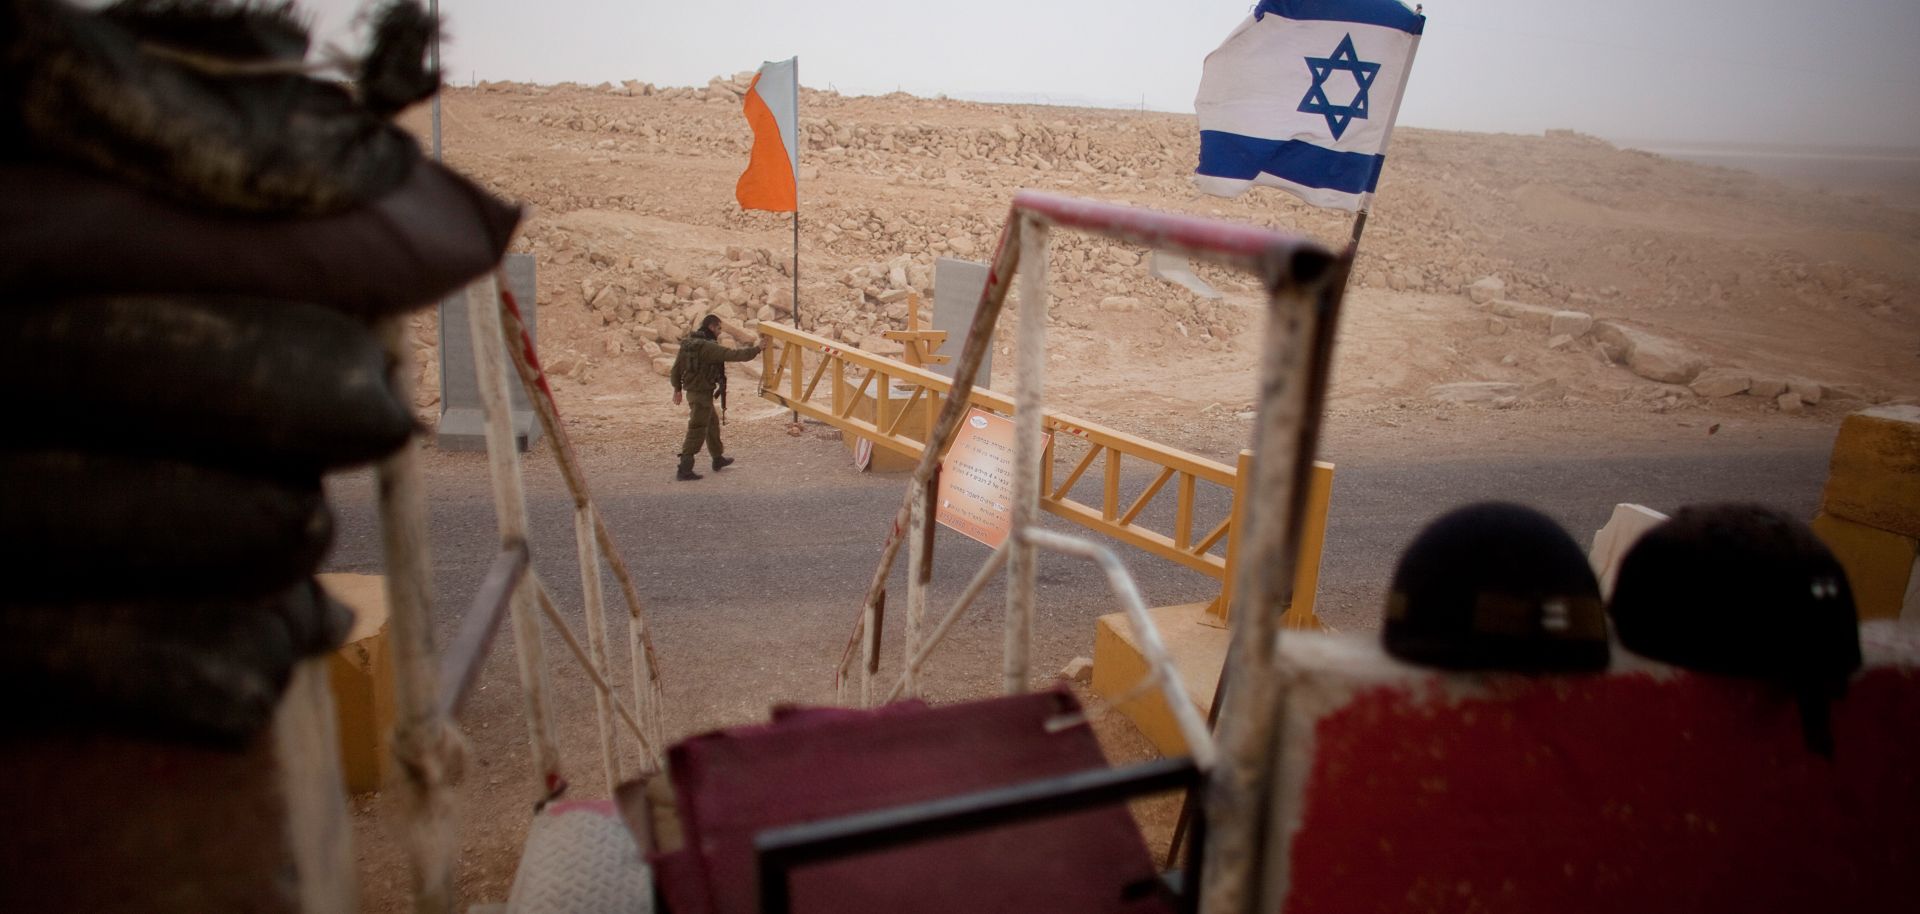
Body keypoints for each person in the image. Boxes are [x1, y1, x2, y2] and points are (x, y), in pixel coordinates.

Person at [670, 314, 766, 480]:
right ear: (712, 327)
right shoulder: (708, 347)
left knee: (712, 424)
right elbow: (734, 355)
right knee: (697, 428)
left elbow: (676, 369)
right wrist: (757, 349)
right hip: (701, 394)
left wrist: (677, 389)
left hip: (695, 393)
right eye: (719, 328)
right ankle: (684, 468)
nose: (720, 333)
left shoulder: (688, 344)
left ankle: (717, 458)